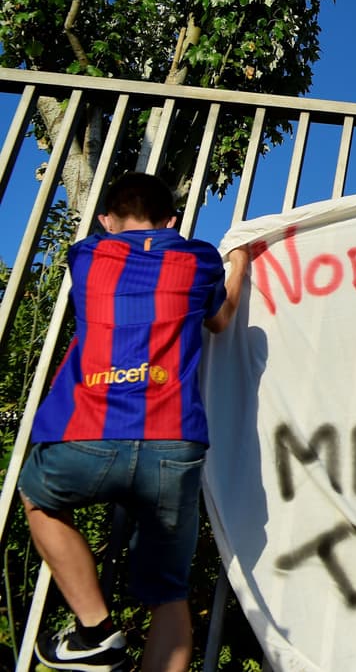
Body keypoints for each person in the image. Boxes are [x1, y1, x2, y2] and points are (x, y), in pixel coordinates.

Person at [18, 172, 248, 672]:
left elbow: (120, 244)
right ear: (172, 221)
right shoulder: (198, 258)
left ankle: (95, 630)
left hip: (85, 435)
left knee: (38, 497)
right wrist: (241, 265)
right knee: (169, 593)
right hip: (173, 440)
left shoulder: (86, 255)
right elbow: (221, 319)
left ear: (105, 220)